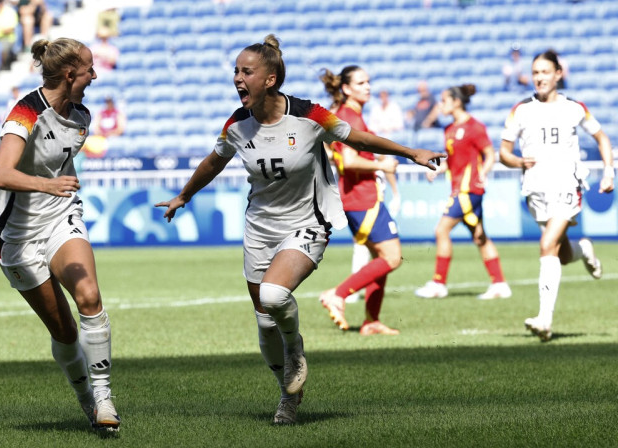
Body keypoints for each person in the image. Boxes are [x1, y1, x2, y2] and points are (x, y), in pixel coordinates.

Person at [155, 35, 443, 425]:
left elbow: (356, 137)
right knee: (263, 321)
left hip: (307, 223)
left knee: (274, 296)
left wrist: (412, 153)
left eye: (246, 71)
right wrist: (183, 195)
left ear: (270, 79)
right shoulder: (237, 125)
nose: (237, 78)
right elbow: (215, 161)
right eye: (235, 71)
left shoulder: (310, 116)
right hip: (259, 228)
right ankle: (288, 397)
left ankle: (296, 350)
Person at [0, 37, 121, 432]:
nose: (95, 75)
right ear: (69, 73)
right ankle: (85, 400)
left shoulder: (82, 117)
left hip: (60, 218)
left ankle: (104, 397)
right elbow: (1, 174)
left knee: (89, 296)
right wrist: (47, 185)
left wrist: (55, 190)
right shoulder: (25, 112)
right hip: (18, 237)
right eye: (89, 69)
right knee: (63, 330)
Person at [499, 50, 614, 342]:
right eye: (535, 72)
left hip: (567, 186)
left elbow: (601, 138)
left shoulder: (574, 108)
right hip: (536, 191)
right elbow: (504, 152)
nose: (539, 78)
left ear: (558, 74)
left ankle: (544, 320)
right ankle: (584, 249)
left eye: (545, 72)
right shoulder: (520, 109)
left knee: (546, 244)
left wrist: (609, 171)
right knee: (560, 254)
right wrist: (518, 162)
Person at [316, 65, 404, 336]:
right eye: (361, 82)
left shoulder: (349, 115)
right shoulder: (349, 117)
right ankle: (337, 294)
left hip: (360, 196)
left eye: (369, 81)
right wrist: (383, 166)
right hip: (361, 197)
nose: (368, 87)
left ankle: (371, 321)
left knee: (381, 257)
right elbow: (350, 161)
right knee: (392, 257)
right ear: (346, 88)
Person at [414, 83, 511, 300]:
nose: (441, 105)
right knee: (479, 237)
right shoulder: (448, 130)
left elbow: (490, 154)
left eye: (444, 101)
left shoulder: (475, 127)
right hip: (460, 188)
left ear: (456, 102)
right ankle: (500, 284)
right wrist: (437, 171)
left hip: (469, 189)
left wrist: (483, 172)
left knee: (441, 230)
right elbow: (454, 162)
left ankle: (439, 283)